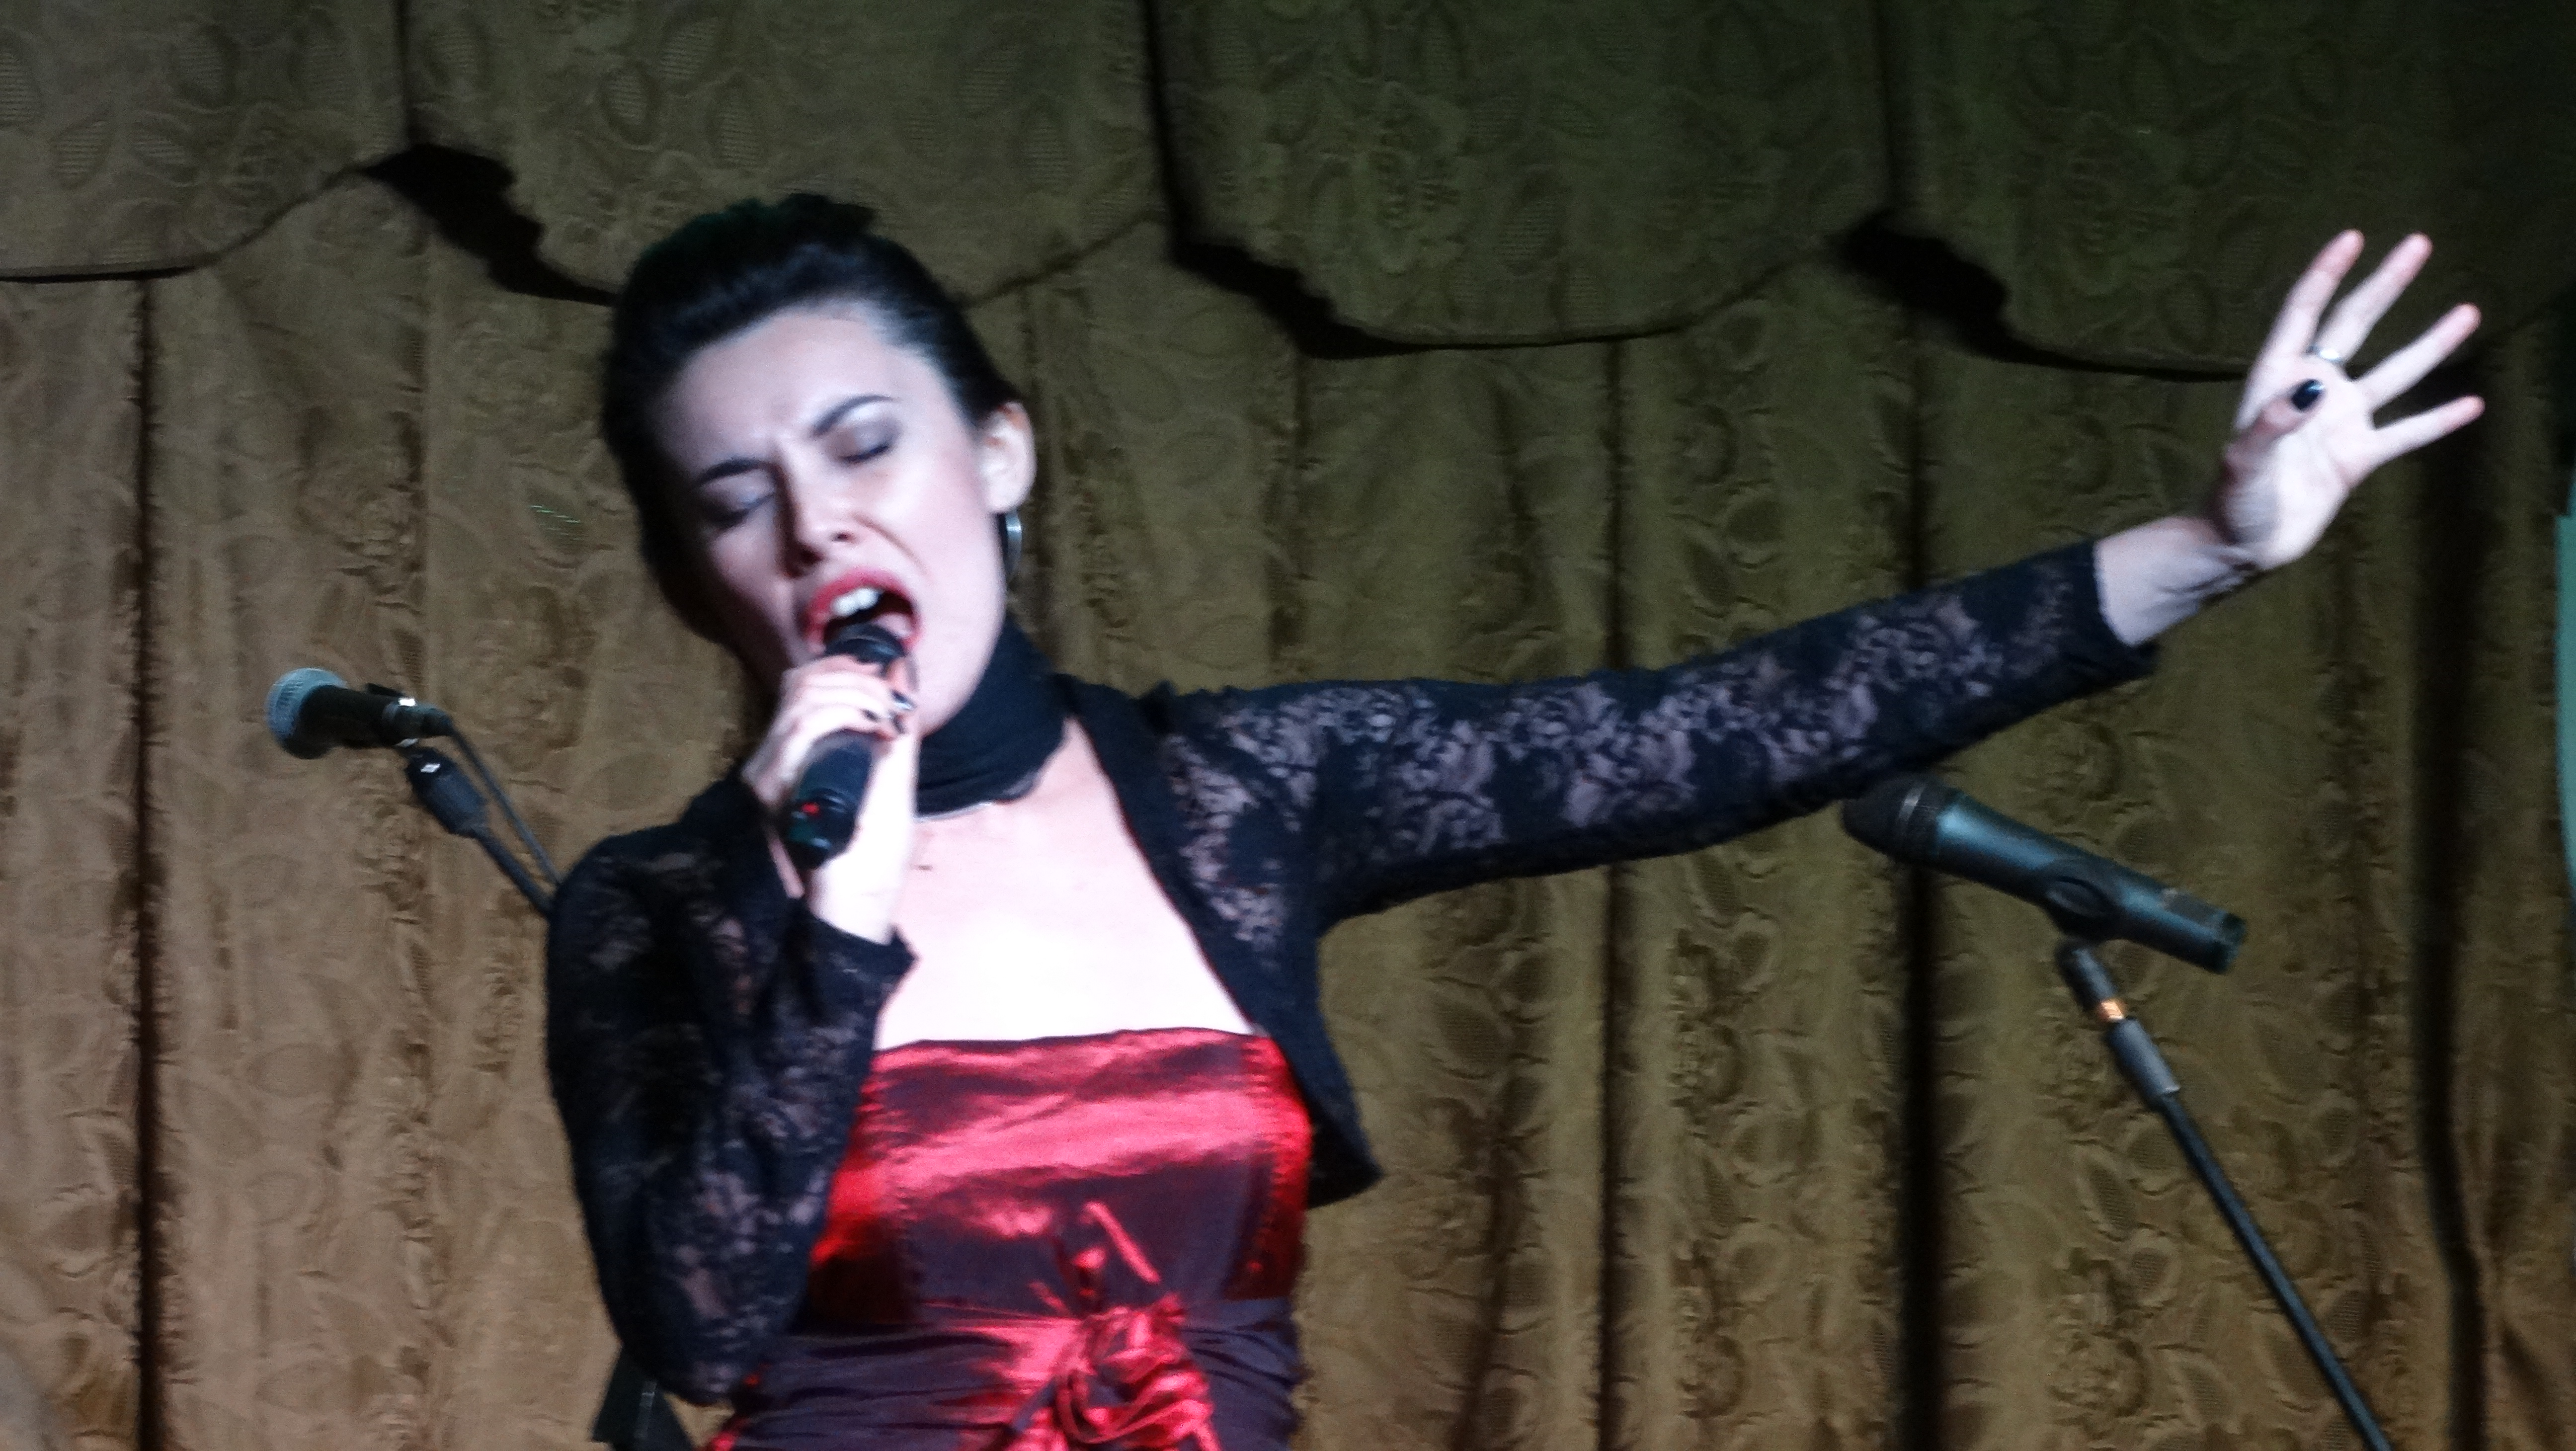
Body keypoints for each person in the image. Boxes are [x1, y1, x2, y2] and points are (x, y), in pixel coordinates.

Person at [546, 196, 2483, 1451]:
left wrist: (2210, 544)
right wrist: (839, 917)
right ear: (694, 573)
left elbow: (1722, 732)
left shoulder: (1237, 794)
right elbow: (701, 1331)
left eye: (865, 442)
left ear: (998, 449)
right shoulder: (660, 908)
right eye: (737, 496)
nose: (819, 524)